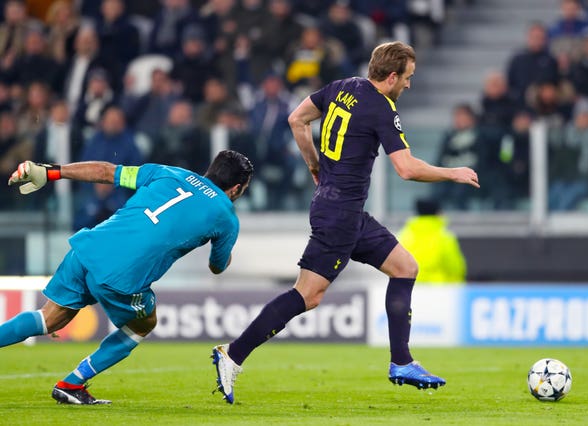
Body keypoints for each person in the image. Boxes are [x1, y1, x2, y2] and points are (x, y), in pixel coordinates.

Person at [211, 41, 479, 404]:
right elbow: (406, 167)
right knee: (307, 294)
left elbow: (296, 119)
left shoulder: (343, 87)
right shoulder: (382, 108)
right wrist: (453, 173)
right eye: (408, 79)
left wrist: (313, 163)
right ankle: (233, 355)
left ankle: (401, 361)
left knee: (405, 267)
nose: (409, 86)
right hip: (340, 215)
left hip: (342, 209)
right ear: (392, 76)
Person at [1, 149, 254, 404]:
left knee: (49, 318)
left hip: (89, 247)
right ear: (236, 189)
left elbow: (105, 172)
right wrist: (226, 252)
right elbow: (217, 266)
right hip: (121, 277)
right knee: (143, 323)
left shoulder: (167, 172)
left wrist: (50, 171)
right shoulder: (226, 218)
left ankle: (70, 385)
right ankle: (72, 382)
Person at [397, 199, 466, 284]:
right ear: (438, 213)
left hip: (411, 288)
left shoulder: (404, 236)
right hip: (439, 289)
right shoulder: (445, 237)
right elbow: (455, 268)